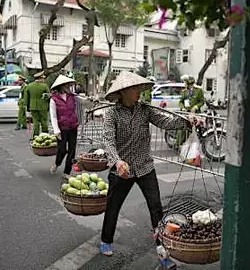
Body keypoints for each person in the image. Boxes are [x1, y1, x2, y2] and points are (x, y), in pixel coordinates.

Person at [99, 71, 187, 265]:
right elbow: (107, 139)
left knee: (156, 207)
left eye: (138, 87)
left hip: (145, 166)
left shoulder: (145, 109)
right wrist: (117, 161)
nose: (138, 91)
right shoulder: (112, 114)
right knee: (113, 207)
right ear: (123, 92)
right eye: (133, 88)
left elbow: (166, 121)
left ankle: (162, 246)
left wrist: (187, 121)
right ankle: (106, 240)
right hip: (121, 169)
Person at [49, 75, 80, 176]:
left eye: (69, 85)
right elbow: (53, 116)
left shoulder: (72, 96)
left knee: (72, 150)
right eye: (66, 85)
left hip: (73, 126)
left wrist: (91, 100)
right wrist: (56, 130)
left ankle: (67, 172)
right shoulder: (54, 99)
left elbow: (84, 102)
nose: (68, 86)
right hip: (62, 128)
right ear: (61, 86)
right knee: (62, 150)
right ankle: (57, 163)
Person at [25, 71, 50, 139]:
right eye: (43, 78)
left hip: (32, 106)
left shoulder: (29, 86)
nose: (43, 80)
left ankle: (35, 136)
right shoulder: (44, 86)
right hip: (43, 106)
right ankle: (45, 136)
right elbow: (49, 96)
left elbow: (26, 98)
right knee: (44, 121)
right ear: (41, 78)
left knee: (35, 122)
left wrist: (27, 107)